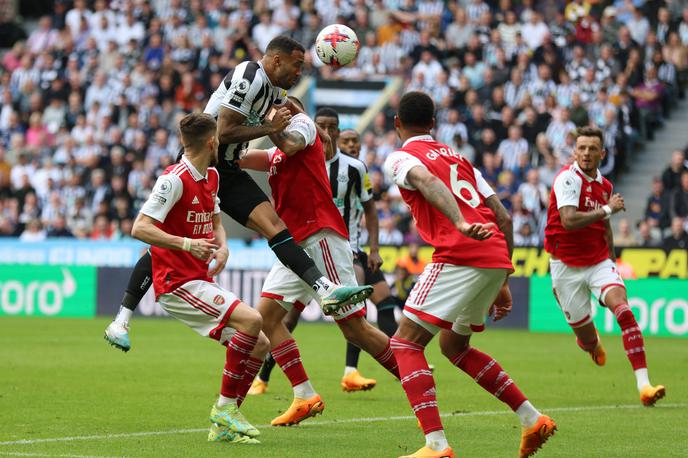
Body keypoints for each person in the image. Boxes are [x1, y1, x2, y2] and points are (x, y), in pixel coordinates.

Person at [105, 36, 372, 351]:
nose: (299, 72)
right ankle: (121, 320)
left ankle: (324, 288)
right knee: (161, 244)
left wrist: (297, 125)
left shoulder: (275, 91)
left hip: (228, 169)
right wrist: (270, 129)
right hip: (202, 166)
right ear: (275, 61)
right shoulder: (249, 76)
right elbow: (223, 132)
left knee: (275, 226)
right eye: (296, 64)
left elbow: (276, 121)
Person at [384, 91, 555, 458]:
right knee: (454, 347)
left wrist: (459, 223)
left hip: (459, 252)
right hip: (493, 253)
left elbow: (428, 183)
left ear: (397, 124)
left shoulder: (400, 157)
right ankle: (531, 418)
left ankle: (436, 445)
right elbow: (504, 217)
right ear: (433, 123)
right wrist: (503, 280)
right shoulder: (461, 160)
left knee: (405, 343)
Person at [238, 99, 399, 427]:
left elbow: (289, 128)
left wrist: (273, 114)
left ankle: (414, 373)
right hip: (292, 246)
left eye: (277, 112)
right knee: (267, 317)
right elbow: (238, 159)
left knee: (355, 329)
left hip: (320, 238)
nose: (272, 116)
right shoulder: (276, 155)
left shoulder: (305, 133)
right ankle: (304, 394)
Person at [130, 113, 270, 444]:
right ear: (211, 142)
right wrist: (186, 243)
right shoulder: (173, 180)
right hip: (175, 282)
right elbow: (140, 228)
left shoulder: (211, 176)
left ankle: (223, 424)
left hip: (199, 277)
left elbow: (215, 220)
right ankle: (224, 409)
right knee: (252, 320)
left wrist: (222, 248)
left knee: (260, 345)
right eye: (219, 139)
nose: (221, 142)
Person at [544, 126, 665, 406]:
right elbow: (569, 221)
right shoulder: (566, 180)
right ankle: (591, 342)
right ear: (575, 152)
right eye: (581, 148)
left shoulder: (605, 185)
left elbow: (605, 226)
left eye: (592, 149)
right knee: (586, 340)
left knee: (623, 311)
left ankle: (645, 386)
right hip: (565, 266)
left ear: (602, 153)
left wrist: (611, 261)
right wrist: (608, 208)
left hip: (598, 261)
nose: (586, 153)